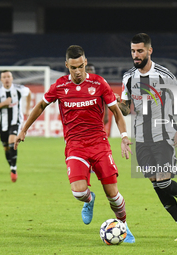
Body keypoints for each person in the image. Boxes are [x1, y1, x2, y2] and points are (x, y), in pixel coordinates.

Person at [14, 45, 135, 243]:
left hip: (99, 144)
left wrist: (123, 136)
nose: (78, 71)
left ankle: (124, 226)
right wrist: (24, 129)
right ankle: (89, 200)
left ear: (85, 62)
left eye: (80, 66)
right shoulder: (60, 87)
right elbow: (41, 106)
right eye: (73, 68)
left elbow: (117, 112)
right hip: (75, 145)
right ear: (66, 66)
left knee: (113, 195)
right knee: (78, 192)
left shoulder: (99, 83)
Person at [116, 33, 177, 241]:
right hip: (141, 138)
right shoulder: (128, 77)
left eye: (140, 51)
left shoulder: (164, 74)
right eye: (133, 51)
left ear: (149, 51)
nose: (136, 55)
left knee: (163, 181)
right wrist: (118, 103)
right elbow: (126, 109)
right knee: (155, 182)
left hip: (163, 133)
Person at [0, 70, 31, 182]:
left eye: (8, 76)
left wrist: (27, 109)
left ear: (12, 78)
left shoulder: (19, 89)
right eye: (4, 77)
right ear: (1, 79)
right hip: (2, 123)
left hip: (16, 120)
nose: (6, 79)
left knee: (12, 141)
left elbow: (29, 93)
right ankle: (12, 166)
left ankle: (13, 169)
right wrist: (4, 103)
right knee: (6, 148)